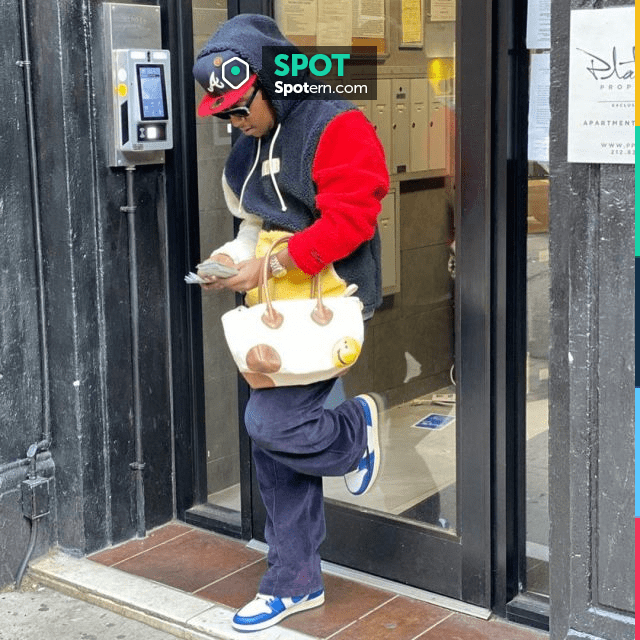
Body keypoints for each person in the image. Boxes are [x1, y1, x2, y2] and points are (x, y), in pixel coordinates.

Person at [193, 14, 389, 632]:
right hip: (274, 313)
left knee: (271, 422)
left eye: (238, 106)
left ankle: (355, 431)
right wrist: (228, 263)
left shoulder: (337, 123)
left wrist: (268, 263)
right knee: (275, 443)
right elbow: (253, 225)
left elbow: (353, 218)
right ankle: (294, 580)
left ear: (272, 80)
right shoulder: (246, 147)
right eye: (221, 113)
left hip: (329, 302)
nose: (232, 121)